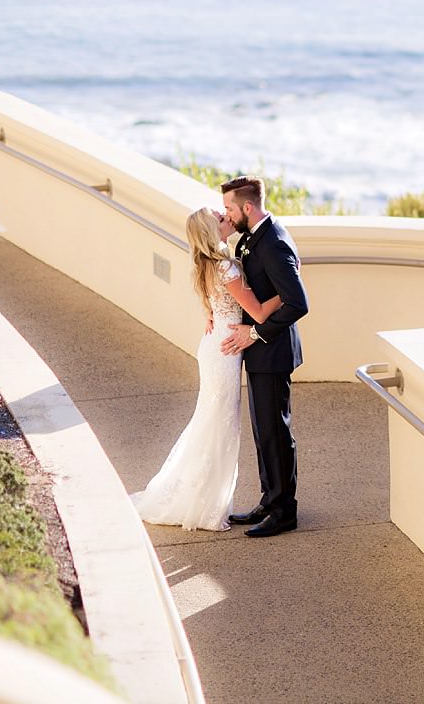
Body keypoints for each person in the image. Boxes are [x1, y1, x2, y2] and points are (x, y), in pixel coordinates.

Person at [131, 207, 282, 531]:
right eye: (219, 217)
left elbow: (218, 306)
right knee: (218, 425)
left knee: (212, 422)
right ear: (212, 230)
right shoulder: (225, 267)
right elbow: (256, 312)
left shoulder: (208, 264)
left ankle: (202, 500)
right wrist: (284, 295)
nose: (224, 216)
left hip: (216, 347)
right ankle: (203, 505)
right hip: (225, 352)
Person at [218, 175, 309, 538]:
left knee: (275, 432)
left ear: (247, 207)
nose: (227, 214)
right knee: (263, 431)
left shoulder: (273, 243)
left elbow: (298, 303)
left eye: (229, 208)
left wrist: (254, 333)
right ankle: (269, 500)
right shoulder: (252, 238)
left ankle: (285, 511)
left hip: (273, 352)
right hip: (259, 354)